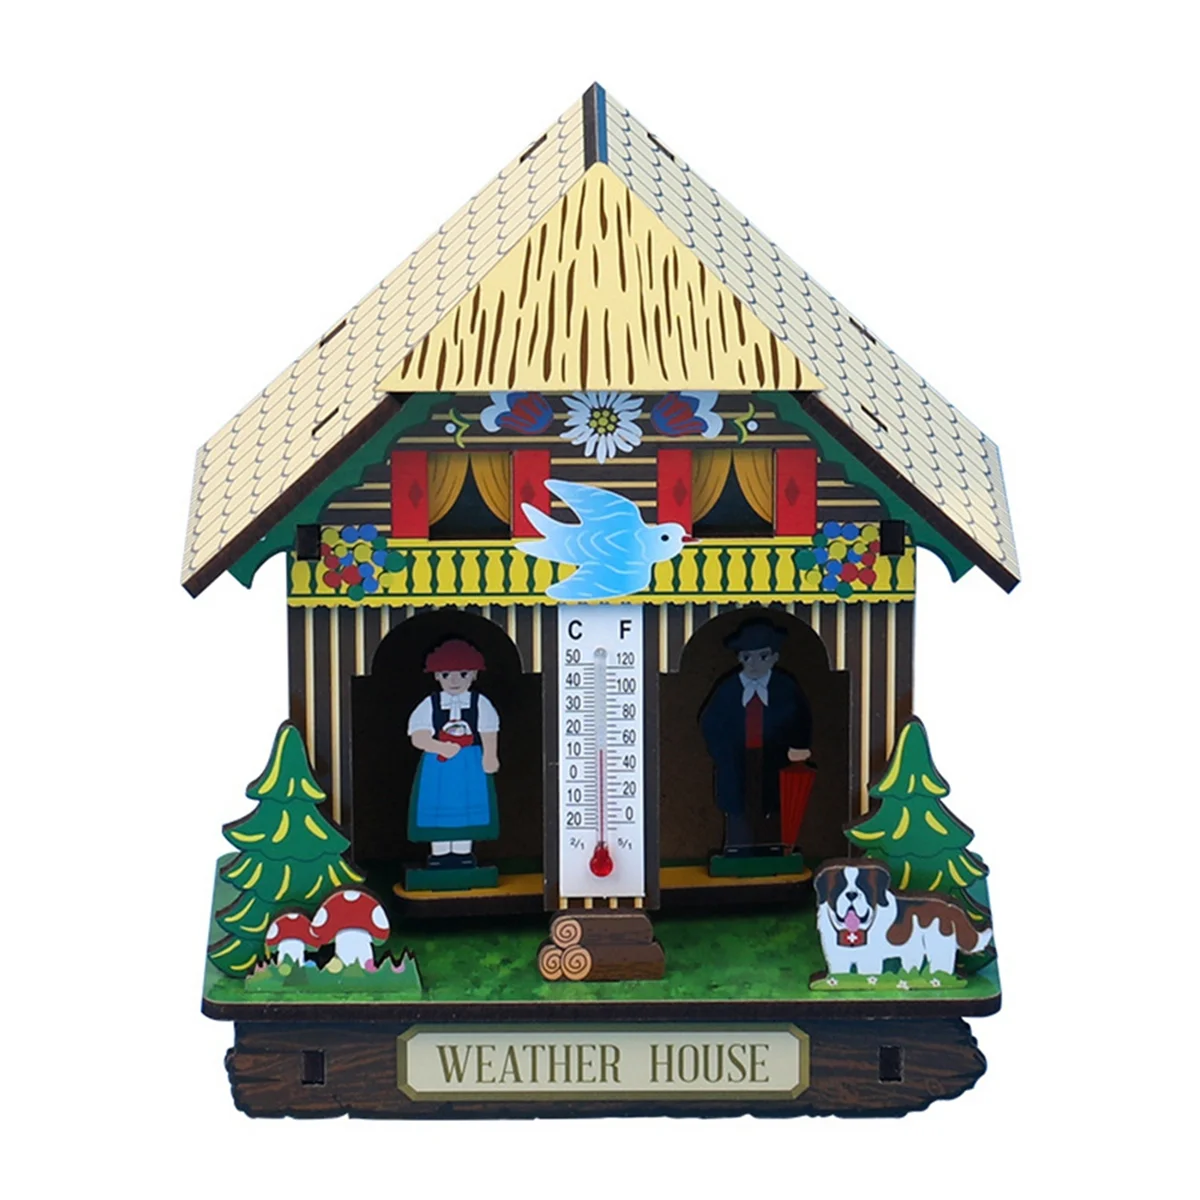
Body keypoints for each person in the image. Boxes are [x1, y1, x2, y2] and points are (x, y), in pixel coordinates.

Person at [699, 618, 812, 855]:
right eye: (747, 657)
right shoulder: (728, 689)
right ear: (739, 658)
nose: (754, 664)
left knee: (772, 806)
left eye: (762, 656)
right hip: (737, 760)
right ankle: (737, 852)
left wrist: (799, 746)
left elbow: (801, 716)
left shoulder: (785, 687)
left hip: (775, 758)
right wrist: (723, 754)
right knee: (738, 809)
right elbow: (710, 722)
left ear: (774, 657)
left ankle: (774, 851)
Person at [406, 638, 500, 869]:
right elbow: (418, 736)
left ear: (474, 675)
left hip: (470, 764)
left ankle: (462, 853)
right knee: (439, 806)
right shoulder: (430, 704)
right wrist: (439, 747)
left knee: (467, 806)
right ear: (437, 676)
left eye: (463, 674)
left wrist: (490, 756)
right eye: (447, 674)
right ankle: (439, 854)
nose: (455, 681)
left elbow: (489, 731)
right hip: (439, 765)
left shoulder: (480, 703)